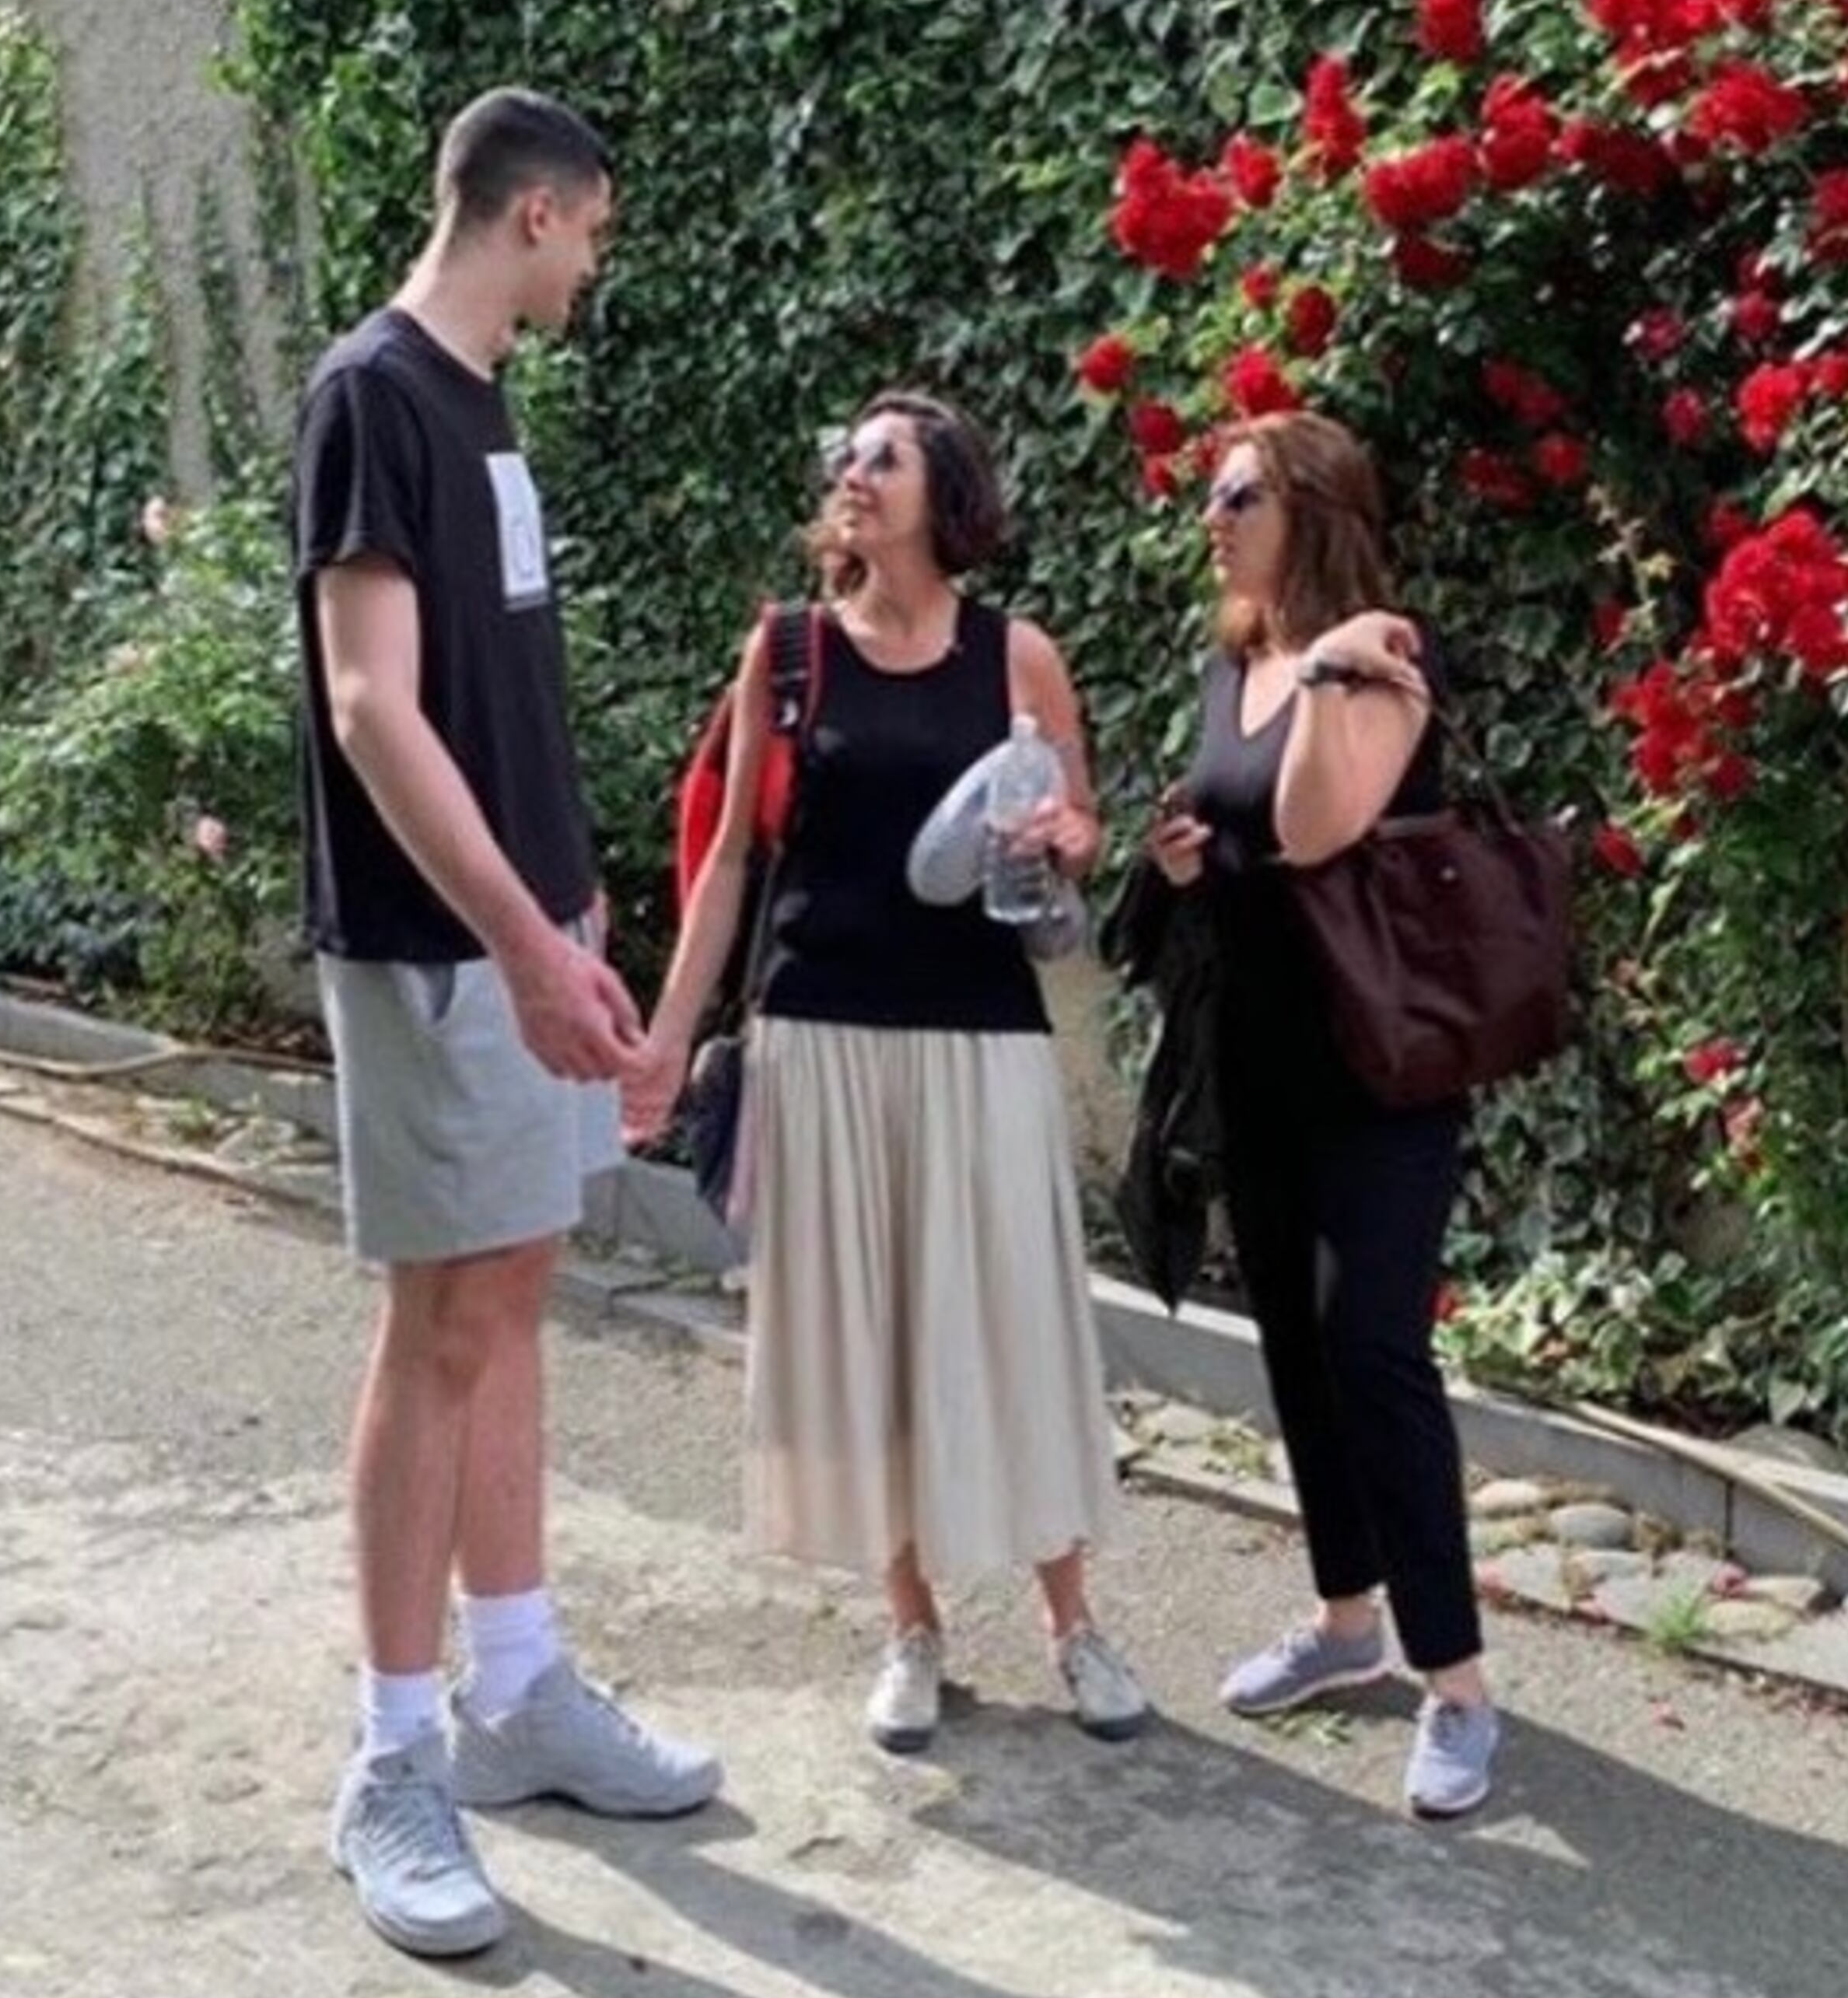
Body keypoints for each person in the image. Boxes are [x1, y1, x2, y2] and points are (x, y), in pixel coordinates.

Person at [292, 86, 720, 1960]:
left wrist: (574, 894)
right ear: (537, 212)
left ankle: (520, 1690)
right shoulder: (374, 394)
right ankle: (394, 1754)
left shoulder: (482, 408)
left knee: (515, 1283)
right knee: (441, 1310)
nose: (598, 266)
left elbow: (496, 682)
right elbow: (374, 708)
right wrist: (515, 945)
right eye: (596, 233)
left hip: (522, 919)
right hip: (431, 942)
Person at [625, 390, 1150, 1755]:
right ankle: (910, 1628)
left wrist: (1067, 830)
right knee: (871, 1340)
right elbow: (734, 855)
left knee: (1015, 1323)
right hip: (823, 1032)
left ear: (945, 491)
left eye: (884, 456)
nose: (852, 472)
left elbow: (1079, 818)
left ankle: (1072, 1622)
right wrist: (668, 1033)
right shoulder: (787, 651)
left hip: (982, 1036)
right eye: (844, 453)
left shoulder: (1015, 653)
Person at [1139, 409, 1502, 1820]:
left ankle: (1457, 1684)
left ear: (1310, 505)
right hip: (1261, 1053)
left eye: (1237, 494)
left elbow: (1304, 829)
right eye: (1212, 494)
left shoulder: (1382, 661)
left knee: (1375, 1349)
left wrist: (1334, 661)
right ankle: (1349, 1622)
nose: (1213, 518)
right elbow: (1232, 833)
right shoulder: (1237, 658)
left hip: (1383, 1065)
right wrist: (1181, 853)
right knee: (1292, 1334)